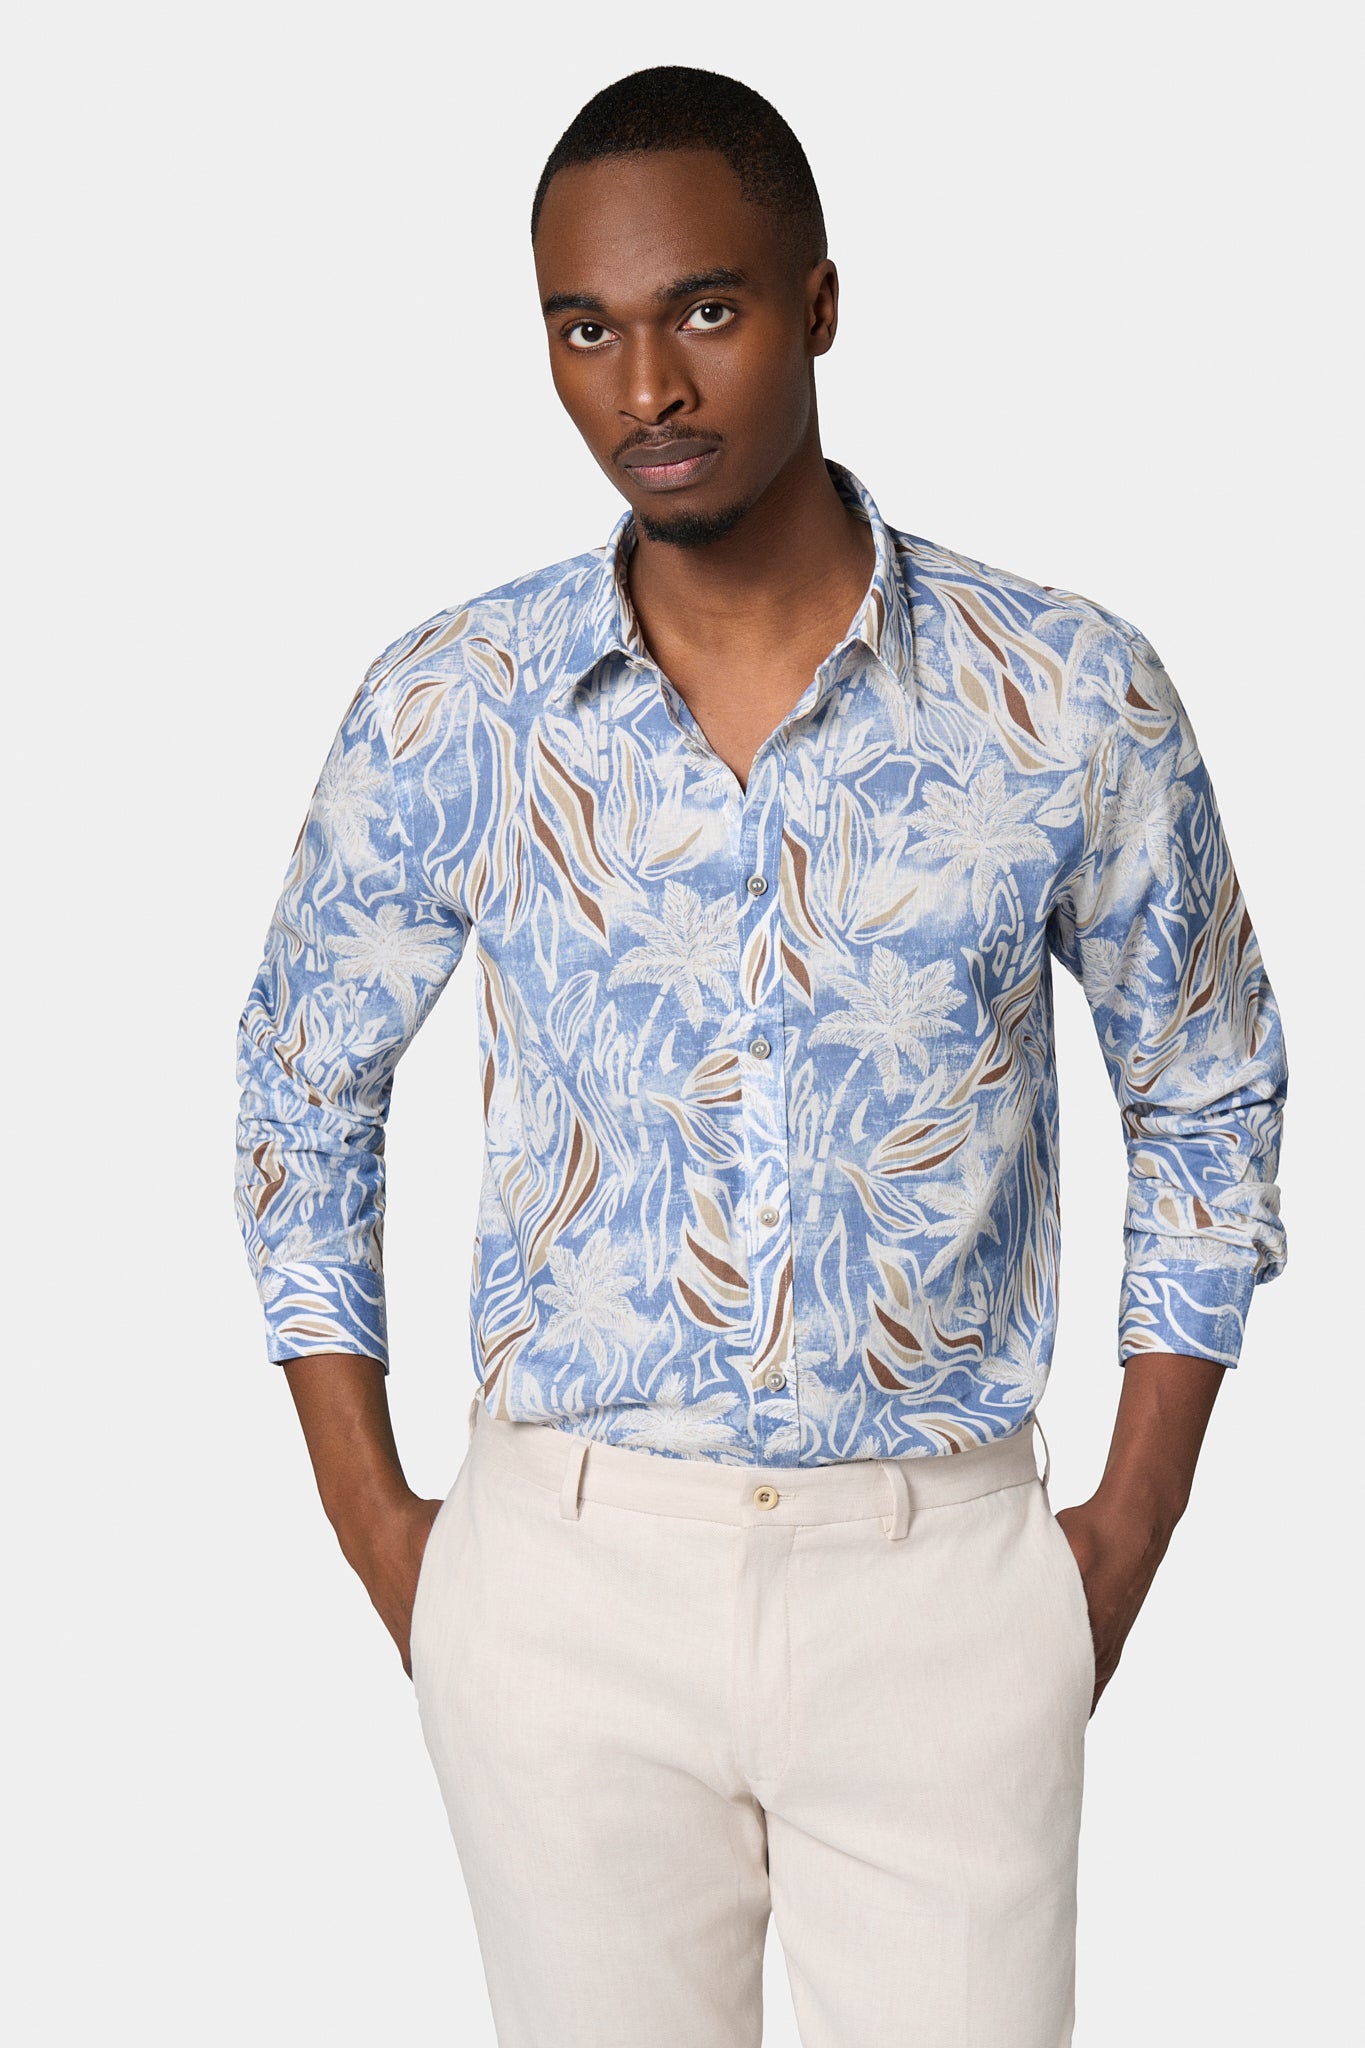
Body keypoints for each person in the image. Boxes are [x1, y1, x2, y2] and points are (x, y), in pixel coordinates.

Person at [234, 63, 1288, 2048]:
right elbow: (300, 1090)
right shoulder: (457, 704)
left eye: (701, 311)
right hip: (563, 1591)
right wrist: (384, 1532)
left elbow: (1206, 1092)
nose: (644, 385)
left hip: (940, 1581)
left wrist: (1122, 1531)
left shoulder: (1065, 695)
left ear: (816, 301)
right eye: (583, 330)